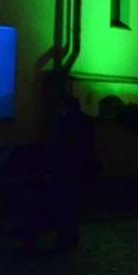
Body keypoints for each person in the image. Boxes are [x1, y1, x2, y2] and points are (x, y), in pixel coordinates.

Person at [48, 95, 98, 248]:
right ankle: (72, 235)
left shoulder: (62, 121)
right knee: (74, 202)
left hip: (64, 168)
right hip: (81, 167)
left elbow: (57, 145)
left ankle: (64, 236)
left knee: (64, 202)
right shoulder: (87, 121)